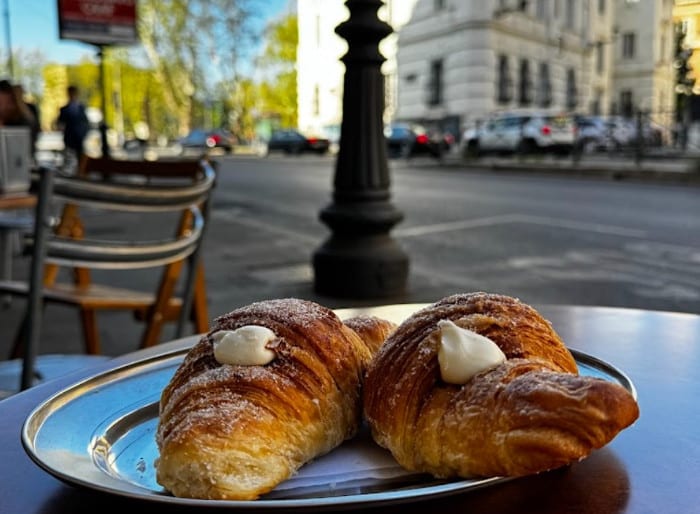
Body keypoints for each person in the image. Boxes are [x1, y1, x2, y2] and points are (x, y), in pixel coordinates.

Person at [57, 85, 89, 165]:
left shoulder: (81, 108)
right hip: (69, 137)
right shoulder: (64, 109)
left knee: (80, 157)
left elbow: (85, 122)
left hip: (79, 137)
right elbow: (60, 123)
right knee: (68, 157)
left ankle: (80, 172)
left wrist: (84, 133)